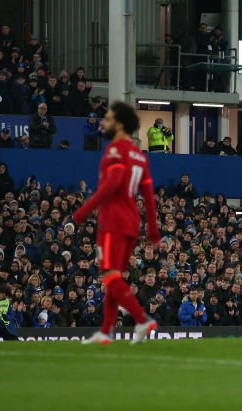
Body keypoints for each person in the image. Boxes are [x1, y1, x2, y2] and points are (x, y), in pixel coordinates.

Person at [72, 101, 162, 345]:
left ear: (120, 125)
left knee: (110, 276)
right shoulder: (140, 156)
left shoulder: (116, 150)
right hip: (132, 221)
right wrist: (152, 229)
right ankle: (106, 330)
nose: (104, 122)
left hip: (113, 221)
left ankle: (142, 319)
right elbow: (149, 195)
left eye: (109, 118)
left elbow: (112, 183)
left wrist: (83, 210)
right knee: (114, 277)